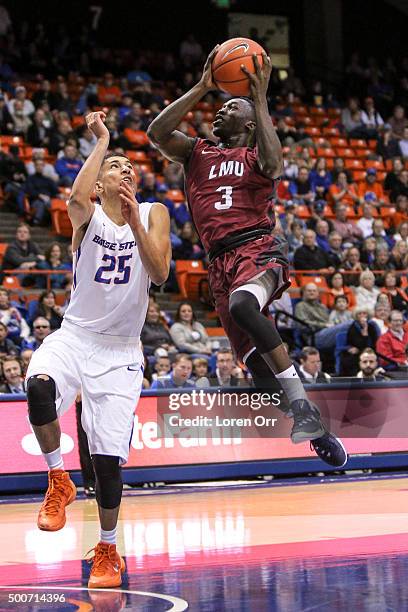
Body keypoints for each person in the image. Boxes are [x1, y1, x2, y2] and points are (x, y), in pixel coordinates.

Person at [148, 46, 347, 467]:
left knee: (244, 304)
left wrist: (259, 97)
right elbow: (157, 133)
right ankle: (312, 426)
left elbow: (275, 164)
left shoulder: (257, 156)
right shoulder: (197, 152)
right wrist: (203, 86)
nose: (220, 111)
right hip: (218, 262)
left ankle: (302, 403)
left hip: (257, 246)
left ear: (251, 121)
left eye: (231, 105)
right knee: (257, 369)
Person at [24, 110, 171, 589]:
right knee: (38, 386)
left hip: (121, 352)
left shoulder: (153, 213)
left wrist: (134, 220)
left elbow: (161, 273)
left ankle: (108, 548)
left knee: (107, 461)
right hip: (75, 335)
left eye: (130, 167)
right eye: (115, 166)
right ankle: (57, 479)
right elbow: (73, 196)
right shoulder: (85, 217)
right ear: (100, 180)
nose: (125, 171)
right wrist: (103, 141)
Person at [340, 307, 380, 376]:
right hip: (358, 351)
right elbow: (359, 345)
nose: (362, 316)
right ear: (356, 316)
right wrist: (364, 334)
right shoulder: (353, 327)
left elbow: (375, 341)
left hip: (371, 350)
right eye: (359, 314)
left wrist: (366, 331)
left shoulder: (372, 326)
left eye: (364, 313)